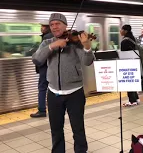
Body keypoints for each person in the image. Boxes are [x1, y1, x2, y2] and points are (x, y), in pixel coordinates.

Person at [32, 13, 95, 153]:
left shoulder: (75, 43)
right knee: (56, 130)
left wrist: (87, 47)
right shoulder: (47, 43)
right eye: (52, 24)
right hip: (53, 93)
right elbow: (36, 59)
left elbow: (88, 61)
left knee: (78, 129)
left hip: (75, 93)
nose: (54, 27)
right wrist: (53, 46)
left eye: (58, 23)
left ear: (65, 25)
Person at [30, 20, 53, 118]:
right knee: (51, 87)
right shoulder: (51, 36)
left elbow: (42, 54)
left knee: (42, 87)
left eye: (43, 26)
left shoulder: (47, 37)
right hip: (49, 66)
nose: (41, 28)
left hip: (45, 66)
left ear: (47, 27)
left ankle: (42, 110)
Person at [120, 24, 140, 107]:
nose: (120, 31)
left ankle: (132, 101)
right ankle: (136, 98)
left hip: (128, 63)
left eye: (121, 29)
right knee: (132, 80)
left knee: (128, 82)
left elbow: (124, 54)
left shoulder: (125, 40)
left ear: (125, 31)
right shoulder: (133, 38)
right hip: (134, 62)